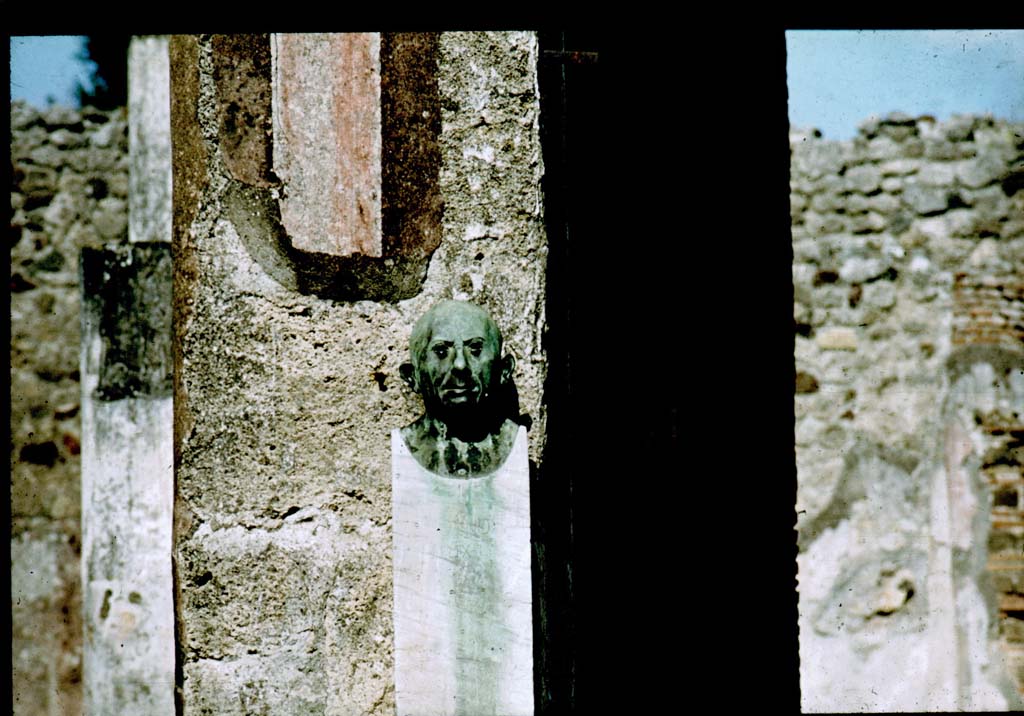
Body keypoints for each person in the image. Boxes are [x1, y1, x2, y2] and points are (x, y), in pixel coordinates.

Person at [398, 300, 520, 477]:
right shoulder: (406, 444)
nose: (460, 365)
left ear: (504, 370)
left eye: (475, 349)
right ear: (412, 376)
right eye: (441, 352)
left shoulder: (513, 443)